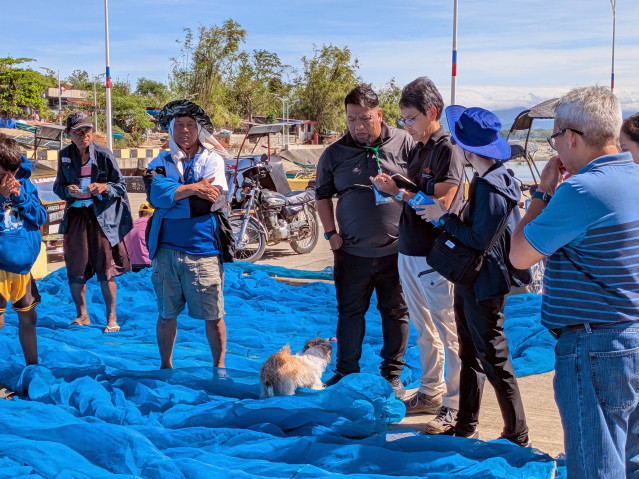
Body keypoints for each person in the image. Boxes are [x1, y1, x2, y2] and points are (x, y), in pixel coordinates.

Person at [510, 86, 639, 478]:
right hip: (632, 334)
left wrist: (542, 194)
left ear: (570, 137)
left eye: (555, 138)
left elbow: (520, 254)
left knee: (596, 464)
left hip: (595, 344)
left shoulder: (581, 190)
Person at [417, 106, 530, 446]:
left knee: (495, 359)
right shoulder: (485, 179)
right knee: (470, 355)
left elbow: (480, 240)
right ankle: (466, 424)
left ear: (469, 148)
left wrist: (442, 215)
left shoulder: (493, 187)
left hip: (485, 283)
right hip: (472, 280)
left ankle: (517, 434)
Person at [370, 77, 464, 433]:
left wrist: (401, 192)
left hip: (434, 256)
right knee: (424, 330)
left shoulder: (447, 150)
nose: (405, 126)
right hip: (408, 251)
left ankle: (454, 404)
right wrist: (393, 189)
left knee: (448, 331)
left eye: (410, 118)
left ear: (432, 113)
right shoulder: (419, 147)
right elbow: (415, 195)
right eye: (403, 119)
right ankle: (430, 391)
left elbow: (442, 205)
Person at [315, 85, 414, 398]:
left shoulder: (405, 142)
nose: (358, 125)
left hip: (397, 251)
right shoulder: (334, 153)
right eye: (351, 119)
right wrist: (331, 234)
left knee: (396, 312)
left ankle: (392, 375)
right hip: (351, 252)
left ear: (380, 114)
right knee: (349, 312)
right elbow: (321, 195)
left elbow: (424, 186)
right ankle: (346, 372)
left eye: (365, 118)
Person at [144, 99, 234, 371]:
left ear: (199, 130)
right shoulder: (159, 161)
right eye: (179, 125)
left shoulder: (213, 160)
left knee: (214, 314)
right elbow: (155, 196)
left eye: (190, 125)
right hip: (165, 251)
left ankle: (219, 368)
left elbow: (209, 203)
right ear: (171, 130)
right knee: (165, 314)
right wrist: (194, 188)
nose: (184, 130)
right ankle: (166, 366)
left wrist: (172, 195)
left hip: (203, 248)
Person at [53, 112, 133, 333]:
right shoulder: (64, 155)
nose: (84, 135)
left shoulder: (104, 154)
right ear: (69, 134)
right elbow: (57, 187)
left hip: (101, 218)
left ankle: (111, 318)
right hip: (77, 217)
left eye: (87, 130)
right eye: (78, 131)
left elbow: (121, 185)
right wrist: (66, 190)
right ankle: (82, 316)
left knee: (106, 267)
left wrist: (104, 187)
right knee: (76, 266)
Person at [0, 136, 47, 398]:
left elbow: (40, 216)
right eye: (4, 172)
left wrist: (19, 197)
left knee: (28, 318)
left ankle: (33, 369)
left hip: (22, 266)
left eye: (13, 171)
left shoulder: (25, 183)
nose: (10, 177)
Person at [123, 202, 153, 272]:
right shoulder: (151, 225)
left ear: (139, 213)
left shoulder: (130, 225)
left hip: (129, 263)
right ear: (153, 214)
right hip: (147, 264)